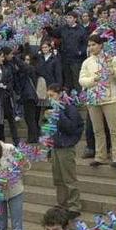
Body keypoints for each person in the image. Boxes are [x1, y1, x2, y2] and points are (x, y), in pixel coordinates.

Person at [80, 34, 116, 167]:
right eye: (89, 45)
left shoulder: (111, 59)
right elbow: (81, 80)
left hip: (110, 98)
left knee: (114, 129)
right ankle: (100, 156)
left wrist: (112, 71)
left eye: (94, 45)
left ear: (101, 45)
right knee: (97, 130)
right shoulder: (87, 62)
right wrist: (92, 80)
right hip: (93, 99)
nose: (91, 48)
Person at [45, 84, 84, 219]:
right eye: (48, 96)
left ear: (60, 94)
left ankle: (74, 205)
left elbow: (71, 127)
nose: (50, 99)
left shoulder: (69, 107)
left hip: (66, 147)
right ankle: (61, 204)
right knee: (58, 178)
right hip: (56, 146)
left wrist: (59, 113)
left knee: (69, 178)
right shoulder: (53, 109)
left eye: (52, 96)